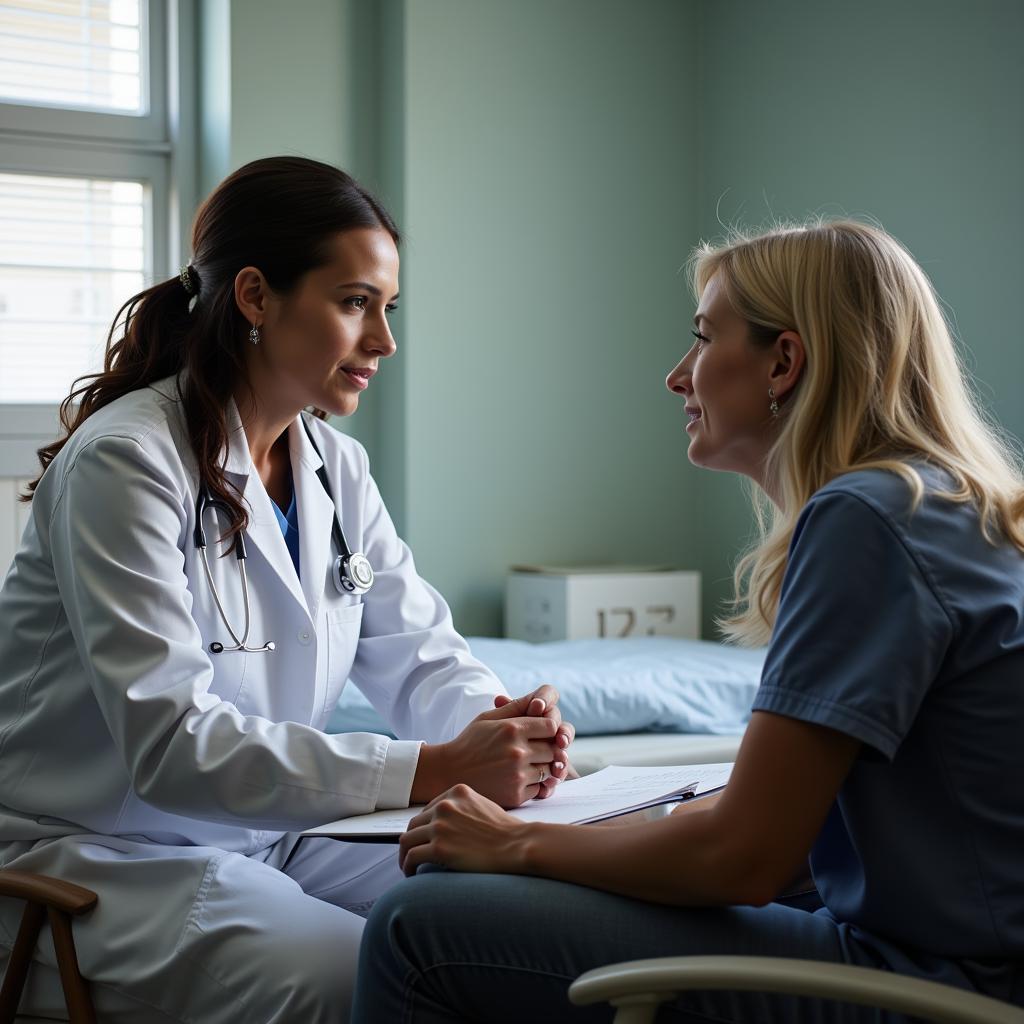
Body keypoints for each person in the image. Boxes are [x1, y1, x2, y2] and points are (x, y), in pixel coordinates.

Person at [352, 219, 1024, 1022]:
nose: (678, 376)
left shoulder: (869, 520)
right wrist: (632, 828)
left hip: (942, 988)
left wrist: (517, 845)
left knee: (414, 926)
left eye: (704, 338)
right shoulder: (945, 504)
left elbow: (744, 858)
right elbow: (796, 819)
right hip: (963, 958)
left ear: (785, 361)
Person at [0, 155, 575, 1023]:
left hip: (270, 835)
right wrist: (432, 769)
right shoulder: (128, 462)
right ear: (257, 296)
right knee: (352, 977)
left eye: (387, 308)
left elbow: (419, 657)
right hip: (93, 856)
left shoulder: (335, 466)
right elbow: (171, 743)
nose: (384, 339)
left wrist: (504, 730)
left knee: (506, 919)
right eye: (355, 304)